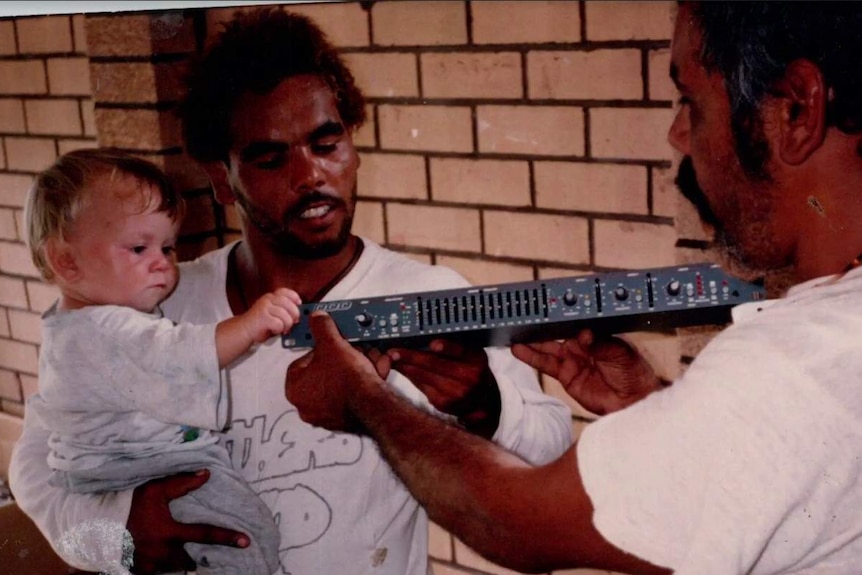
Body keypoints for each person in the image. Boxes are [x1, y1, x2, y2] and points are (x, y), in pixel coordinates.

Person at [284, 2, 862, 574]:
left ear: (796, 110)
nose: (678, 134)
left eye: (692, 101)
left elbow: (515, 523)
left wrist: (364, 399)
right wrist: (652, 408)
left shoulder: (795, 365)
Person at [9, 8, 573, 575]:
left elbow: (546, 456)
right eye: (271, 158)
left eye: (327, 143)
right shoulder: (156, 305)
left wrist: (483, 405)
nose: (311, 175)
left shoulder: (425, 294)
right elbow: (36, 466)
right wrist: (114, 536)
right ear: (221, 178)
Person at [25, 148, 303, 575]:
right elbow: (182, 353)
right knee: (248, 532)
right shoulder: (107, 330)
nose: (163, 263)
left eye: (168, 246)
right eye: (139, 248)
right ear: (65, 260)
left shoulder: (69, 327)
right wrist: (251, 324)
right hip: (143, 468)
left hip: (108, 473)